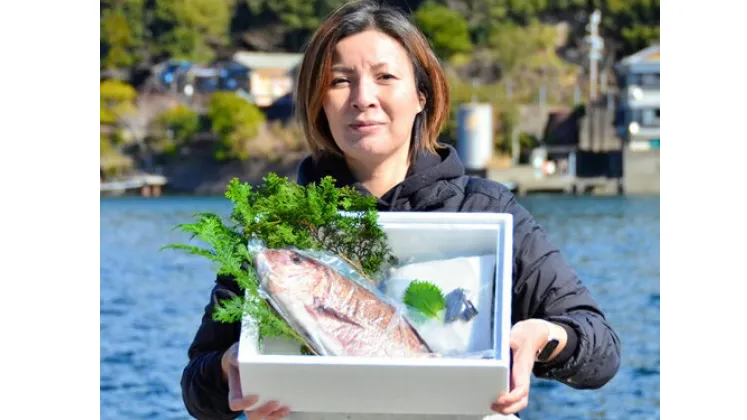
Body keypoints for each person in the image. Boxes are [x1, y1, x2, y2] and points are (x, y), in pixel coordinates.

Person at [180, 1, 621, 419]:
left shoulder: (484, 210)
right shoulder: (280, 227)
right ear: (318, 102)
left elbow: (601, 350)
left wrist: (545, 337)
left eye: (385, 77)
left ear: (422, 95)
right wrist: (229, 368)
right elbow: (197, 389)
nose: (362, 98)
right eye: (339, 81)